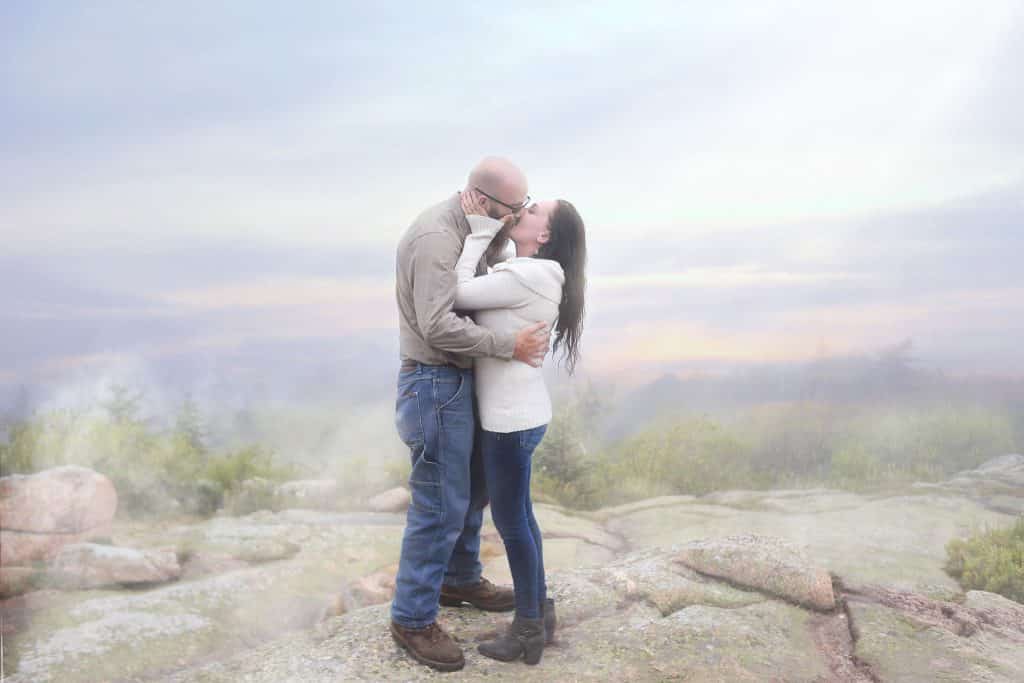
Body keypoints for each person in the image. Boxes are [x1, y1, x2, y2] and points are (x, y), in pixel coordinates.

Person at [389, 157, 551, 673]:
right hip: (435, 383)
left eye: (524, 206)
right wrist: (509, 345)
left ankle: (459, 579)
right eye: (513, 207)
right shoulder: (437, 239)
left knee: (473, 490)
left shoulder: (479, 230)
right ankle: (412, 618)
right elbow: (438, 326)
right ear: (482, 199)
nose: (517, 215)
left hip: (460, 380)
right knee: (439, 502)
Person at [453, 190, 587, 666]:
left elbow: (457, 292)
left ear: (544, 234)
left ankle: (527, 629)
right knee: (522, 520)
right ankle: (540, 612)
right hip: (523, 416)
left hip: (509, 423)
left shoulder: (529, 273)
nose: (522, 211)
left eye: (532, 211)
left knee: (512, 524)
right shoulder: (534, 273)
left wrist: (479, 231)